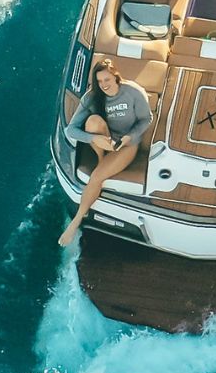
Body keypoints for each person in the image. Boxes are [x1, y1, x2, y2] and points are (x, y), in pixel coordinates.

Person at [59, 58, 153, 246]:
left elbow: (146, 119)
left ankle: (76, 221)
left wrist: (129, 136)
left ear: (116, 77)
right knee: (92, 121)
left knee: (96, 177)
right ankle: (103, 159)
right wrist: (94, 138)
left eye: (107, 80)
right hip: (105, 141)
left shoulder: (132, 92)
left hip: (127, 144)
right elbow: (70, 130)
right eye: (100, 81)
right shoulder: (92, 97)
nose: (104, 85)